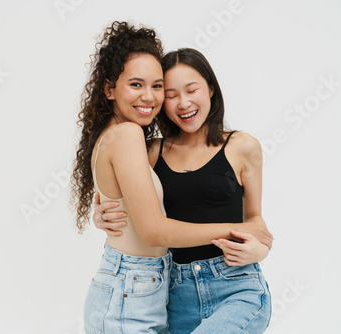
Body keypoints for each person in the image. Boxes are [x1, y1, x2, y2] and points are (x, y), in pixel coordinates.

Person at [71, 21, 272, 333]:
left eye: (156, 87)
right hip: (158, 289)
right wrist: (242, 229)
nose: (180, 102)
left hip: (213, 285)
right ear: (109, 89)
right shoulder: (141, 145)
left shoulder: (241, 146)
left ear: (211, 90)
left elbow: (257, 222)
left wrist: (260, 244)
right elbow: (152, 229)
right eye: (137, 85)